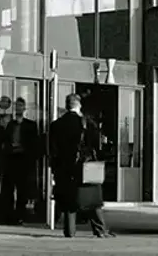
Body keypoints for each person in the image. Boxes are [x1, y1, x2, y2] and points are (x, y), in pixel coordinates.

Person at [49, 93, 108, 238]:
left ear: (66, 105)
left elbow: (52, 148)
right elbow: (95, 144)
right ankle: (100, 230)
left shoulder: (56, 125)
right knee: (91, 198)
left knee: (69, 200)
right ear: (79, 105)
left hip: (63, 168)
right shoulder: (85, 123)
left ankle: (69, 230)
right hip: (82, 167)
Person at [2, 97, 41, 224]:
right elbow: (5, 141)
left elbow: (34, 144)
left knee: (22, 190)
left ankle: (19, 215)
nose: (18, 108)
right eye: (16, 106)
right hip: (11, 159)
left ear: (24, 109)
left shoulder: (31, 125)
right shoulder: (10, 124)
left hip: (23, 160)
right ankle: (8, 215)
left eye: (20, 106)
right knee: (8, 189)